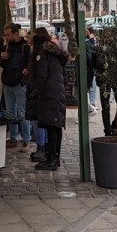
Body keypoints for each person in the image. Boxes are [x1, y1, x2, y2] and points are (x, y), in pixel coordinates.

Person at [31, 27, 68, 170]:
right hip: (57, 92)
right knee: (55, 126)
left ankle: (51, 159)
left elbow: (42, 75)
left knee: (51, 127)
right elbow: (63, 75)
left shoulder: (43, 52)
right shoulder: (56, 52)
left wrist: (36, 91)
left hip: (49, 93)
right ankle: (54, 157)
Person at [0, 23, 32, 150]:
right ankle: (13, 138)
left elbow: (30, 65)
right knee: (10, 113)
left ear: (16, 34)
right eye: (5, 35)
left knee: (22, 113)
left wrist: (23, 78)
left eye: (8, 35)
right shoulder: (7, 46)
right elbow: (2, 64)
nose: (6, 37)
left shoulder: (24, 47)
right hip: (8, 82)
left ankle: (26, 140)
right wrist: (1, 57)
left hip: (19, 84)